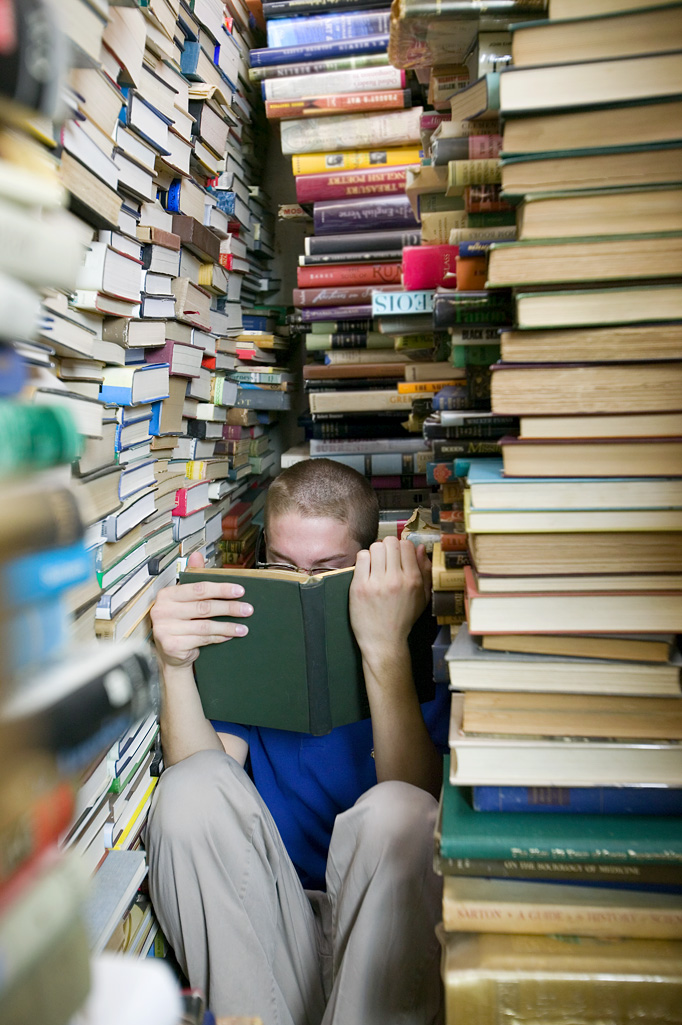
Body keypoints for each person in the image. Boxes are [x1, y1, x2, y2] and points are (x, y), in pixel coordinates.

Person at [146, 459, 449, 1025]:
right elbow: (206, 790)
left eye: (326, 570)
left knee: (403, 812)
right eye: (282, 566)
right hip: (270, 918)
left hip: (385, 926)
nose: (302, 585)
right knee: (184, 792)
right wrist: (175, 664)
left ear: (367, 561)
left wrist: (383, 647)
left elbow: (420, 824)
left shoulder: (428, 642)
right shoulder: (253, 626)